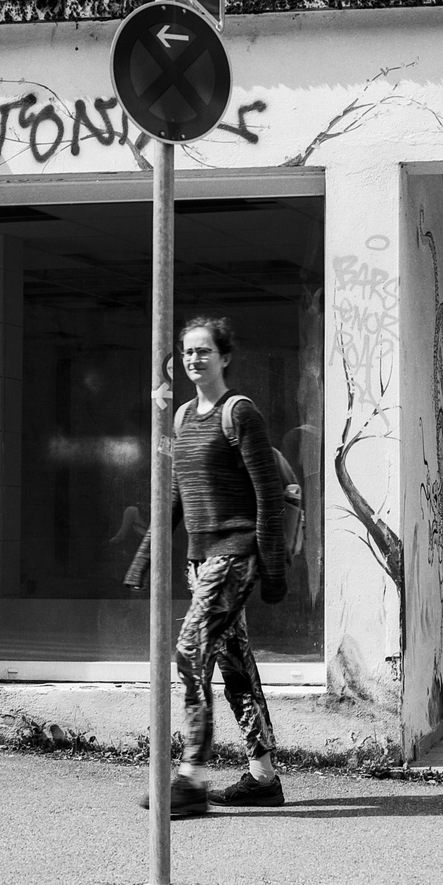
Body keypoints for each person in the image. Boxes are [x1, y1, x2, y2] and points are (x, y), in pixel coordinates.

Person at [125, 315, 288, 816]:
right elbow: (174, 495)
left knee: (190, 653)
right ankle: (263, 779)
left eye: (203, 351)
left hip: (235, 555)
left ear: (224, 357)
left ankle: (191, 777)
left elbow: (268, 495)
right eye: (187, 352)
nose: (193, 359)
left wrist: (274, 567)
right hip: (201, 562)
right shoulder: (181, 419)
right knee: (234, 667)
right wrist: (146, 554)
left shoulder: (239, 413)